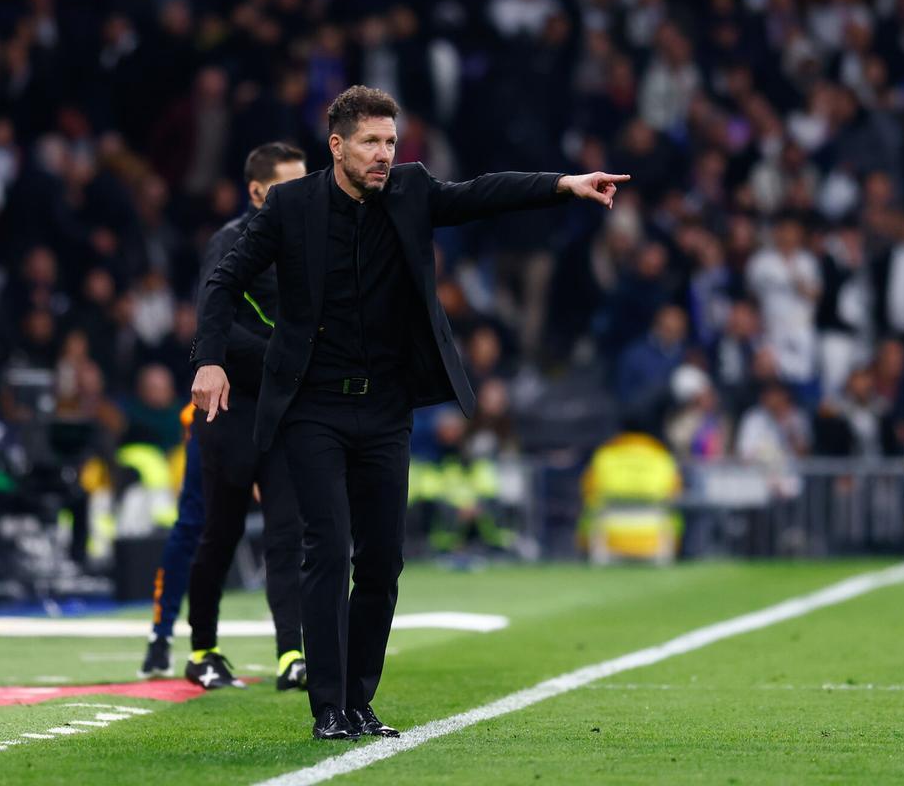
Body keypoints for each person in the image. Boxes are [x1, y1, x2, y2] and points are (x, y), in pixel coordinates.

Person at [191, 85, 629, 740]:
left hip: (388, 409)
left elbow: (482, 193)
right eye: (370, 141)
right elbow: (224, 279)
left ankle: (360, 700)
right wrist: (209, 359)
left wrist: (563, 184)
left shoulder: (410, 190)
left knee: (383, 562)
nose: (383, 154)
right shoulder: (290, 205)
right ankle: (328, 707)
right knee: (327, 551)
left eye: (390, 142)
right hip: (311, 409)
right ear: (336, 145)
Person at [140, 143, 308, 693]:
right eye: (289, 184)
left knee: (288, 533)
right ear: (258, 192)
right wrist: (282, 357)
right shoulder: (232, 242)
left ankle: (292, 655)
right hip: (228, 409)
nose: (304, 193)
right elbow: (215, 321)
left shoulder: (309, 242)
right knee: (220, 532)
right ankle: (202, 649)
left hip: (281, 411)